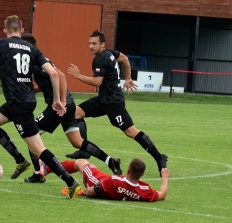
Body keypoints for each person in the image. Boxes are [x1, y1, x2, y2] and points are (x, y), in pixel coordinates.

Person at [0, 15, 82, 199]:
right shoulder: (31, 48)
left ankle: (71, 183)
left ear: (5, 31)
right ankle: (20, 161)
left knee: (39, 150)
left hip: (18, 105)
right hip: (23, 101)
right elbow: (53, 72)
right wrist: (57, 99)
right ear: (21, 31)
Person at [19, 33, 122, 184]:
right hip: (69, 103)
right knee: (78, 142)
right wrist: (34, 90)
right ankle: (109, 161)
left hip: (59, 106)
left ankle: (38, 173)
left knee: (31, 135)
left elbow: (60, 76)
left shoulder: (36, 62)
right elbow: (48, 83)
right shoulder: (38, 60)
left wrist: (61, 101)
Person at [67, 30, 168, 176]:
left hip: (113, 102)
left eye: (94, 43)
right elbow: (125, 59)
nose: (91, 46)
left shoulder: (100, 58)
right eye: (89, 43)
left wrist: (78, 76)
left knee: (131, 131)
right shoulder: (110, 53)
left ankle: (160, 158)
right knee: (77, 112)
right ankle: (84, 150)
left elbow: (97, 81)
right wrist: (127, 78)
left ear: (102, 44)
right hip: (103, 100)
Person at [40, 158, 170, 202]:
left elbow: (93, 191)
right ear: (141, 175)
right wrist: (165, 178)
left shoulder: (113, 181)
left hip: (96, 181)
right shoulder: (145, 190)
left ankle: (46, 168)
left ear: (128, 171)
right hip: (108, 183)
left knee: (81, 162)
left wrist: (82, 192)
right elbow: (162, 195)